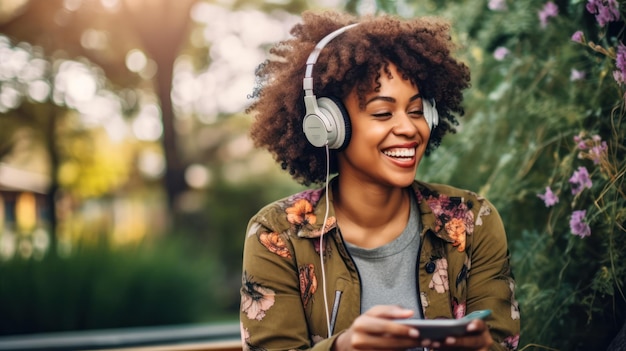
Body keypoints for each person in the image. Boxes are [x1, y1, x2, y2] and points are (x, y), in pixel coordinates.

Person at [240, 9, 520, 351]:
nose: (408, 128)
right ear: (329, 127)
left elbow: (502, 342)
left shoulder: (472, 222)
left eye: (416, 111)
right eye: (382, 113)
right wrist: (343, 347)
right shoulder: (277, 236)